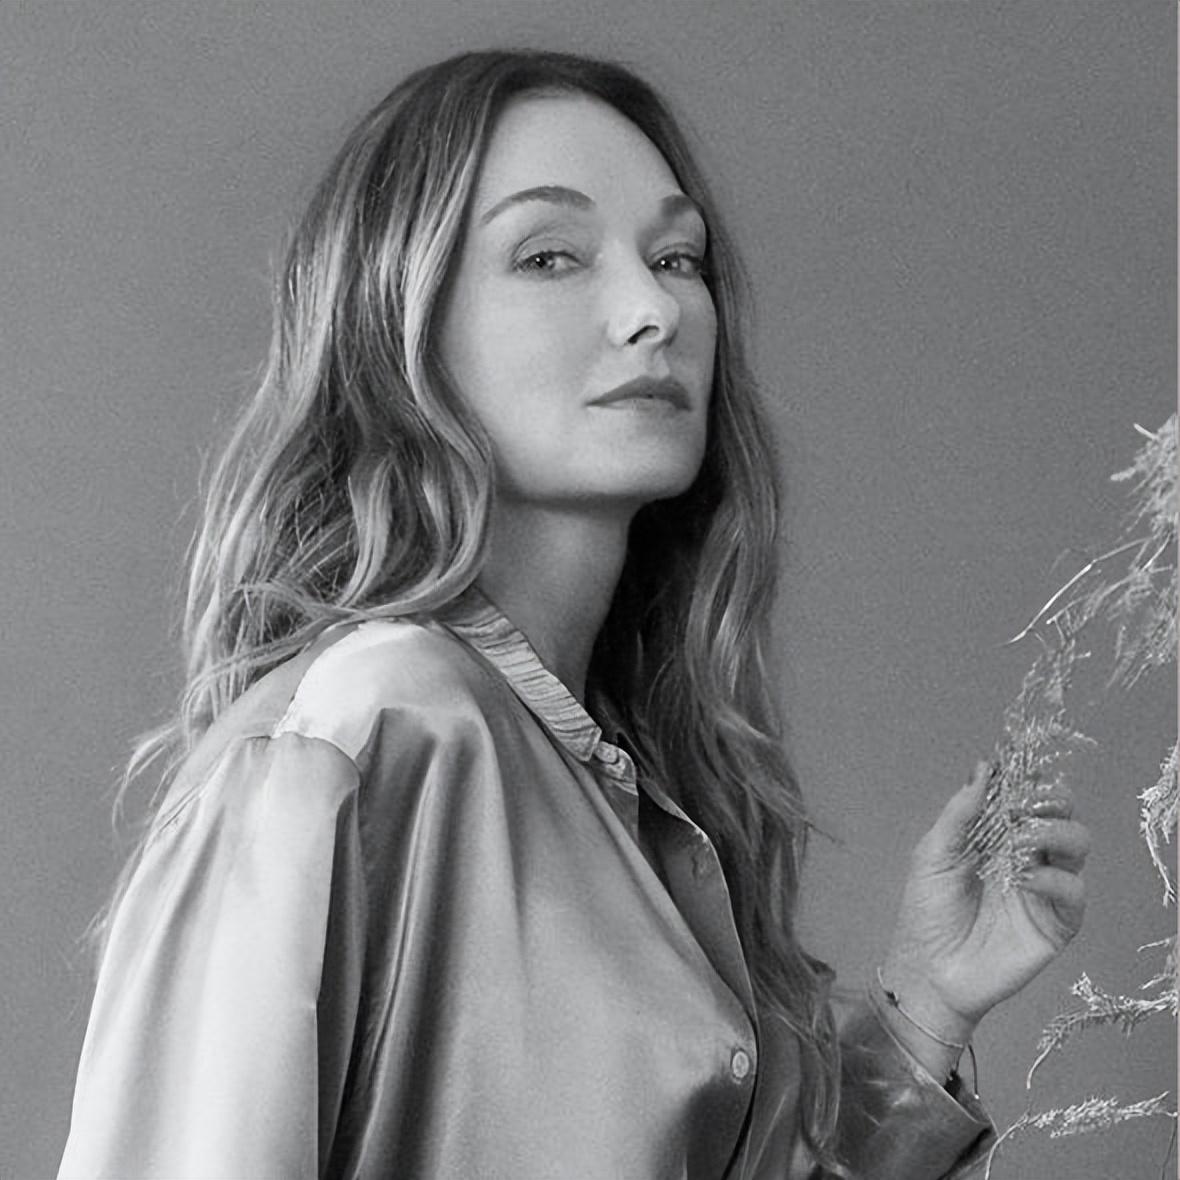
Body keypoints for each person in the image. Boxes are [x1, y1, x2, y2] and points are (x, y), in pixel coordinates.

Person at [58, 49, 1090, 1179]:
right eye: (548, 255)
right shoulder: (367, 728)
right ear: (400, 324)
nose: (652, 309)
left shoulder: (628, 787)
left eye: (676, 258)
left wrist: (924, 1008)